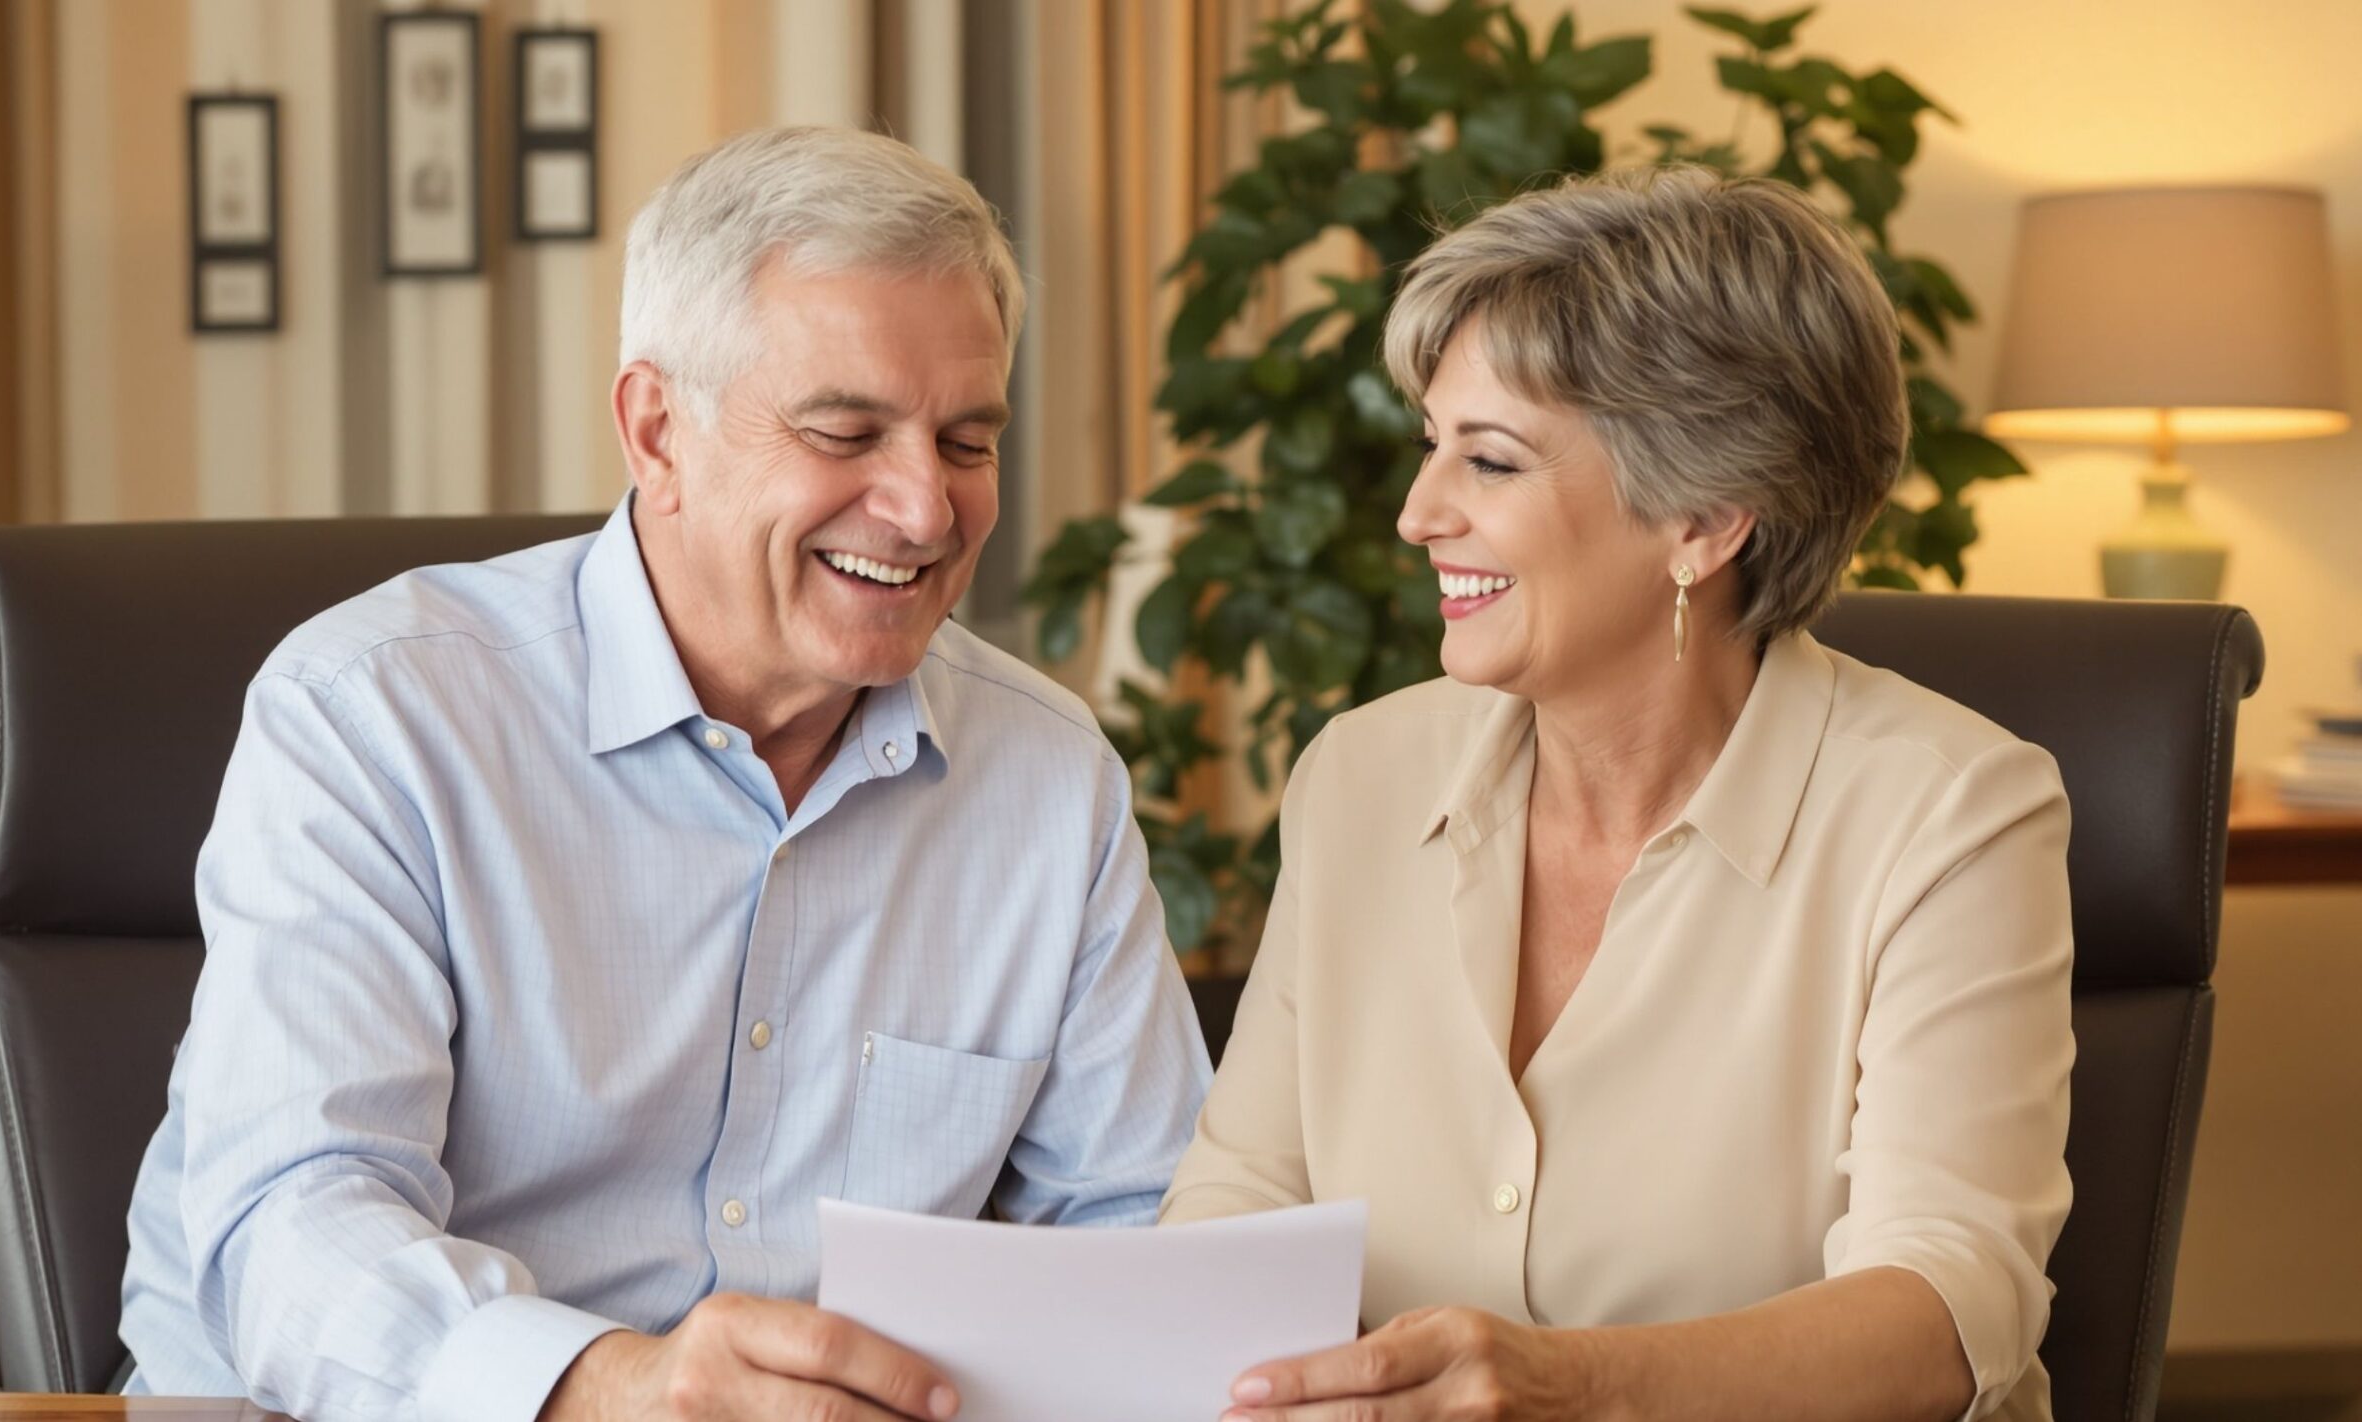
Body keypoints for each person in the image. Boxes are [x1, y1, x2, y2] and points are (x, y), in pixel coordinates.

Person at [118, 125, 1211, 1422]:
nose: (926, 508)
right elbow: (293, 1228)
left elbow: (1139, 1227)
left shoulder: (1048, 780)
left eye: (966, 441)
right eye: (845, 430)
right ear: (656, 431)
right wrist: (603, 1383)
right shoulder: (375, 716)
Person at [1163, 166, 2074, 1422]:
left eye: (1488, 461)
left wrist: (1568, 1387)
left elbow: (1946, 1309)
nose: (1419, 513)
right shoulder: (1360, 779)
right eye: (1431, 448)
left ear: (1701, 517)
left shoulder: (1954, 815)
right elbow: (1236, 1201)